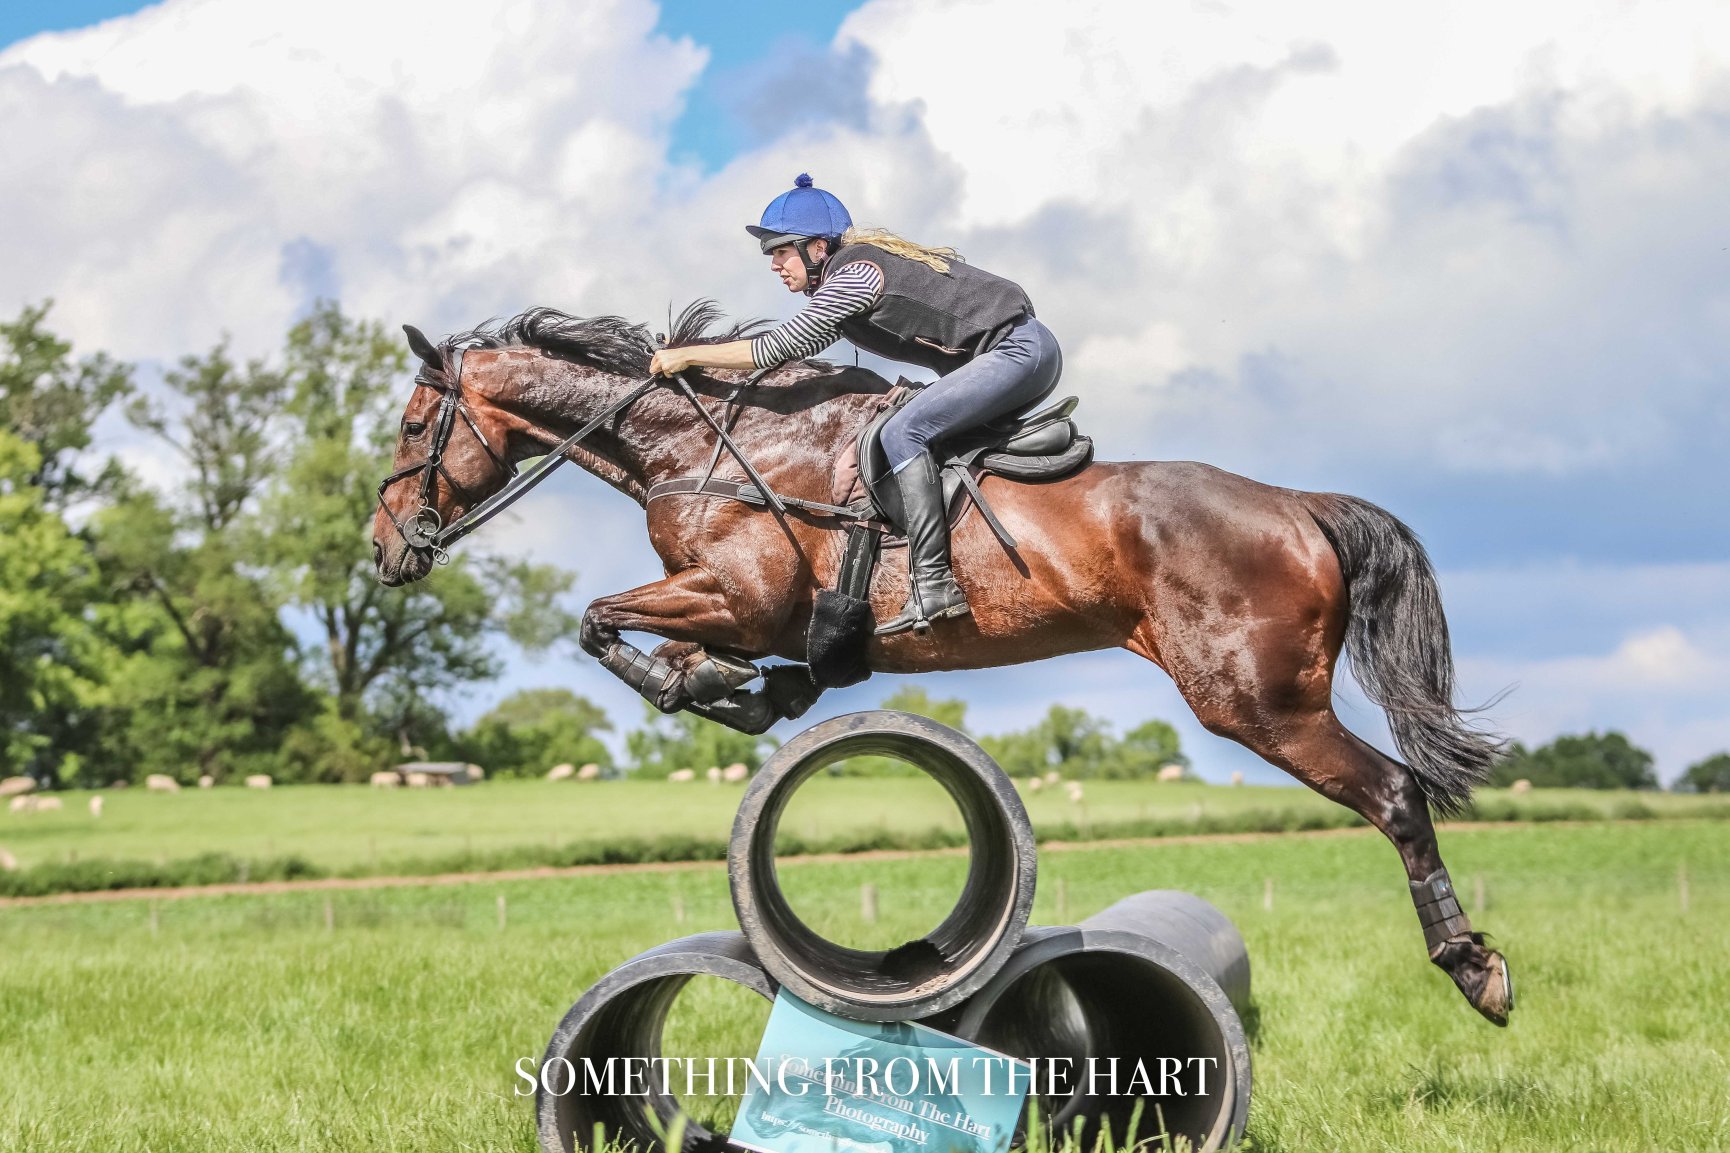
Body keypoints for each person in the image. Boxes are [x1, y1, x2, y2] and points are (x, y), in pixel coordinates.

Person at [648, 174, 1063, 636]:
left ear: (817, 248)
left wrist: (689, 356)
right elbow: (796, 352)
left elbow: (776, 347)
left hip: (1017, 353)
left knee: (903, 433)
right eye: (772, 255)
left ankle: (934, 584)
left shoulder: (856, 274)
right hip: (1015, 356)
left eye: (781, 251)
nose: (775, 265)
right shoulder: (844, 281)